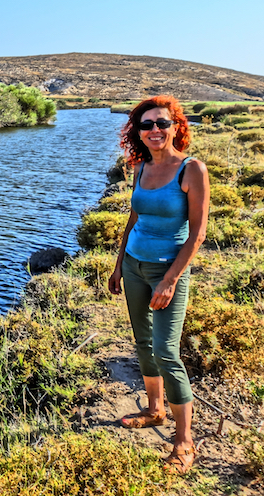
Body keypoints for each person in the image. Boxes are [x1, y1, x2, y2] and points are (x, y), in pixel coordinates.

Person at [107, 95, 209, 474]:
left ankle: (185, 442)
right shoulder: (140, 168)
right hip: (134, 266)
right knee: (142, 343)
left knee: (167, 352)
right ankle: (155, 409)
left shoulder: (191, 169)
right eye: (146, 124)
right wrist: (118, 267)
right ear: (138, 131)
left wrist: (169, 280)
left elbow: (197, 234)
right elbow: (132, 221)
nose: (154, 130)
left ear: (176, 127)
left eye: (161, 123)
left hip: (167, 271)